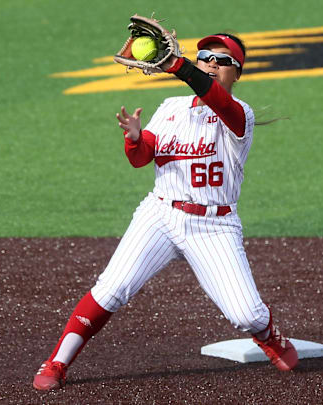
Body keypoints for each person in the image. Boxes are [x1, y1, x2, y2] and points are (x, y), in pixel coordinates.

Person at [33, 33, 299, 391]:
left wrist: (180, 65)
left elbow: (214, 97)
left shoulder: (238, 116)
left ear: (237, 74)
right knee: (111, 290)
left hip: (214, 226)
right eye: (205, 56)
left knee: (246, 314)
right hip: (159, 215)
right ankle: (57, 362)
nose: (212, 63)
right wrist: (134, 138)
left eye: (224, 60)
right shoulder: (171, 107)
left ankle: (269, 335)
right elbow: (142, 159)